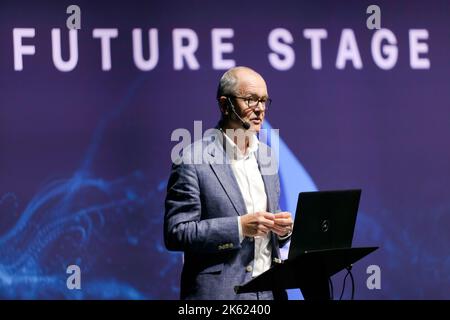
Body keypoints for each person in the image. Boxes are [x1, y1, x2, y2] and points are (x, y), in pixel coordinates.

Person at [164, 66, 293, 300]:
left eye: (264, 101)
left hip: (270, 295)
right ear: (225, 105)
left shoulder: (266, 156)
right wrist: (239, 227)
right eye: (250, 100)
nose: (260, 109)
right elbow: (176, 233)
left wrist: (281, 230)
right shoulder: (192, 160)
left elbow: (267, 231)